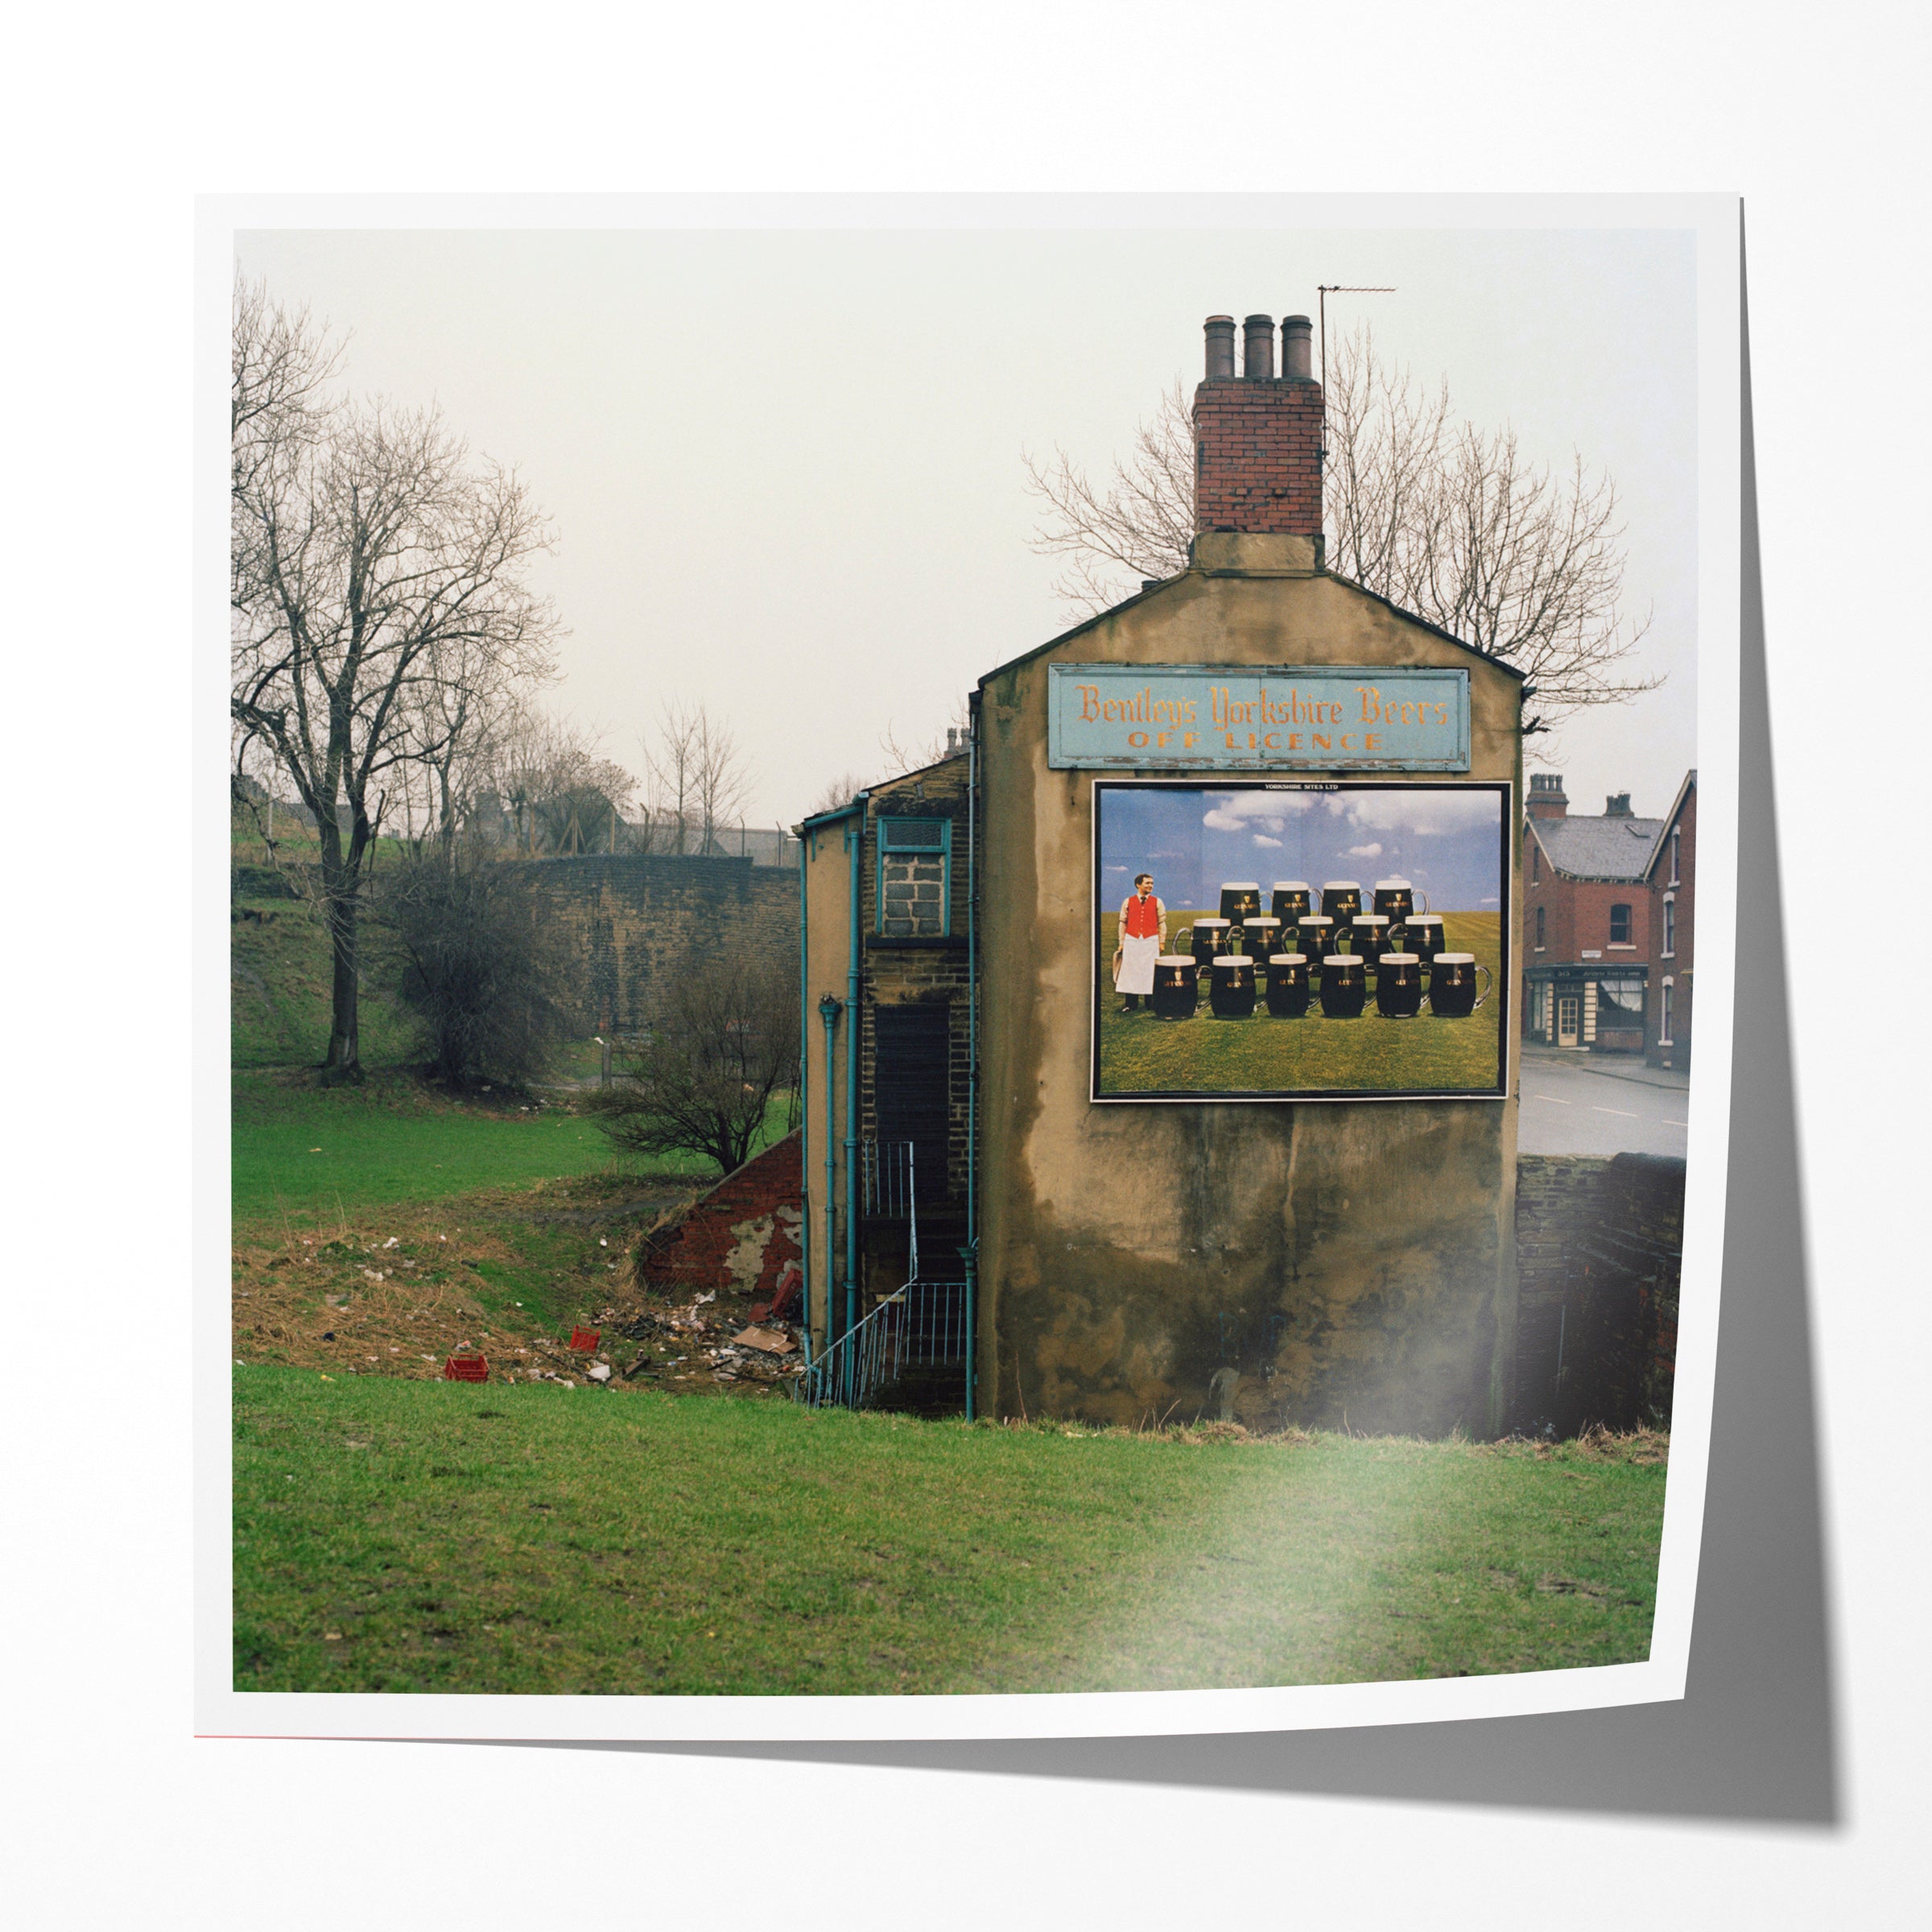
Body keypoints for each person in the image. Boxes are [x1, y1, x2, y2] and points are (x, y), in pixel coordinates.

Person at [1113, 872, 1166, 1011]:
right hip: (1132, 940)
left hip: (1151, 940)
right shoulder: (1128, 901)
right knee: (1131, 971)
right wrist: (1122, 942)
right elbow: (1123, 923)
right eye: (1147, 883)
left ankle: (1151, 1003)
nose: (1151, 886)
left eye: (1152, 883)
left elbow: (1162, 923)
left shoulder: (1157, 902)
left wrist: (1162, 942)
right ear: (1138, 885)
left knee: (1150, 971)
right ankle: (1131, 1004)